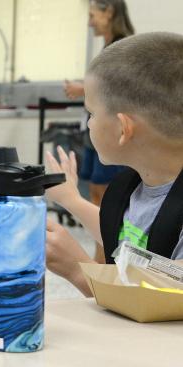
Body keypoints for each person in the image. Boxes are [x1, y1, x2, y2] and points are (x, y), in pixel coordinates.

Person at [45, 32, 183, 297]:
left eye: (92, 113)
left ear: (123, 128)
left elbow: (163, 295)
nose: (89, 124)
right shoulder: (132, 185)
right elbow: (124, 237)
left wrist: (80, 270)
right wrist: (72, 200)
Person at [62, 0, 135, 261]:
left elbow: (121, 88)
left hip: (112, 132)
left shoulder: (124, 46)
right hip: (97, 130)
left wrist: (83, 89)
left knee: (107, 198)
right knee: (95, 192)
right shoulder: (108, 47)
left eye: (93, 15)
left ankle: (105, 262)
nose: (90, 22)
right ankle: (100, 259)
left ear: (109, 12)